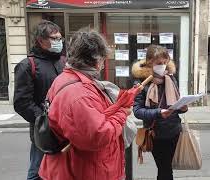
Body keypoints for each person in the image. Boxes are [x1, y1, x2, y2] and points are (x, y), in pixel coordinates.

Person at [38, 28, 139, 180]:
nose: (103, 63)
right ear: (96, 60)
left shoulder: (70, 79)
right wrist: (122, 113)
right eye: (103, 59)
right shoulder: (79, 94)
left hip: (80, 168)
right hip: (82, 171)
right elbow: (96, 135)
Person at [13, 20, 64, 180]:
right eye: (54, 38)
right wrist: (44, 120)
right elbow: (22, 102)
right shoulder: (27, 65)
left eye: (60, 38)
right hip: (43, 129)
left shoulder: (62, 62)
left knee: (60, 170)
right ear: (41, 40)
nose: (59, 42)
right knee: (37, 171)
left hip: (64, 127)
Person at [132, 45, 188, 180]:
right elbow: (137, 111)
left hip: (174, 131)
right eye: (158, 63)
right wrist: (158, 112)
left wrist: (182, 108)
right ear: (149, 62)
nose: (162, 66)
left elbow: (175, 103)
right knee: (165, 169)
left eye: (164, 62)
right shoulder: (142, 83)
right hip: (155, 134)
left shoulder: (170, 78)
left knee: (166, 169)